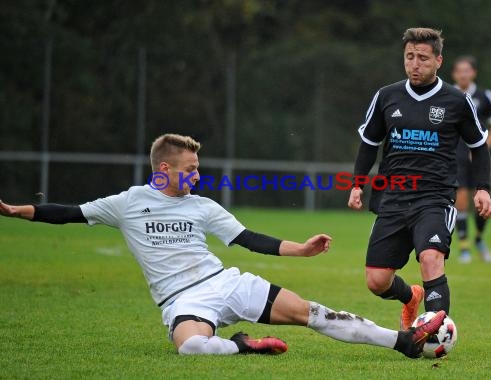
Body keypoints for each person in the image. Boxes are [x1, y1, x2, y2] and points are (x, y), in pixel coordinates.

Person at [0, 133, 446, 358]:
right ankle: (243, 346)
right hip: (180, 299)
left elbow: (249, 239)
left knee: (315, 313)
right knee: (192, 349)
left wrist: (302, 249)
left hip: (225, 282)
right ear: (163, 169)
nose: (196, 175)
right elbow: (70, 212)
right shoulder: (128, 203)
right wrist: (19, 211)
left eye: (197, 167)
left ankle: (404, 342)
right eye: (189, 168)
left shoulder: (203, 206)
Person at [347, 28, 491, 329]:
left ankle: (434, 334)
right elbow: (369, 144)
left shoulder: (456, 101)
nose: (415, 64)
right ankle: (411, 297)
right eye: (410, 57)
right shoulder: (387, 96)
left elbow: (479, 147)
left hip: (435, 197)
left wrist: (482, 189)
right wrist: (357, 184)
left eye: (423, 58)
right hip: (393, 197)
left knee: (430, 257)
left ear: (439, 61)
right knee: (377, 280)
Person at [452, 55, 491, 263]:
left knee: (481, 203)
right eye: (459, 70)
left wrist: (481, 148)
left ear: (473, 73)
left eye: (467, 70)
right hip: (455, 157)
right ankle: (464, 248)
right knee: (461, 202)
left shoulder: (484, 96)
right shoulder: (448, 95)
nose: (463, 74)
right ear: (454, 73)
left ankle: (479, 239)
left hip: (478, 160)